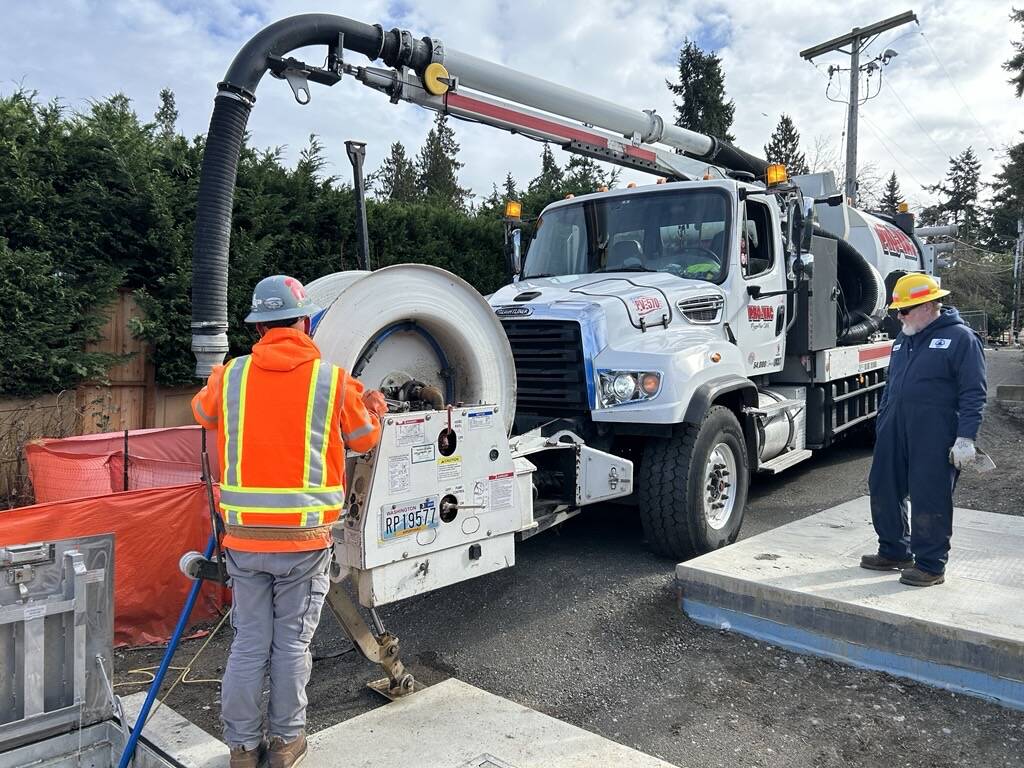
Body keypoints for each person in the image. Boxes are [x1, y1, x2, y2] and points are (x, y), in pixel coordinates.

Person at [192, 275, 387, 768]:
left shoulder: (232, 375)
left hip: (243, 539)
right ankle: (285, 744)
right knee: (291, 643)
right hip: (302, 542)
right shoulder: (332, 379)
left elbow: (201, 410)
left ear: (259, 326)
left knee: (250, 641)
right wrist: (375, 409)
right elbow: (364, 440)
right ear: (304, 322)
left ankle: (240, 748)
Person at [861, 273, 987, 587]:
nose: (899, 317)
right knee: (883, 485)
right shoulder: (905, 337)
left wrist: (965, 437)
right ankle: (894, 551)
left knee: (929, 494)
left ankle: (931, 565)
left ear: (928, 305)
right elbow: (891, 385)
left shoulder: (961, 339)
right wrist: (883, 419)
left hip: (935, 431)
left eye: (905, 310)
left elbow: (974, 391)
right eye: (897, 311)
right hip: (895, 428)